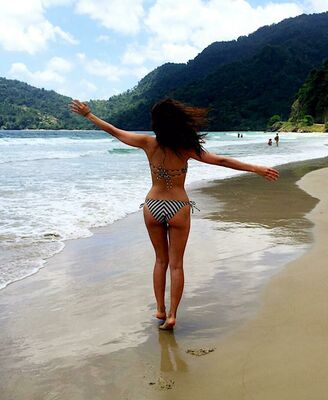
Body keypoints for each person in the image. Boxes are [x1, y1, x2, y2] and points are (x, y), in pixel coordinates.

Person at [70, 98, 279, 330]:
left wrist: (88, 115)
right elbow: (221, 160)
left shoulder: (147, 143)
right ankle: (171, 316)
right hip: (178, 207)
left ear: (157, 123)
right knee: (176, 265)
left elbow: (114, 131)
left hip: (153, 206)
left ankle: (160, 309)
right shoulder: (186, 148)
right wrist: (256, 168)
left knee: (160, 260)